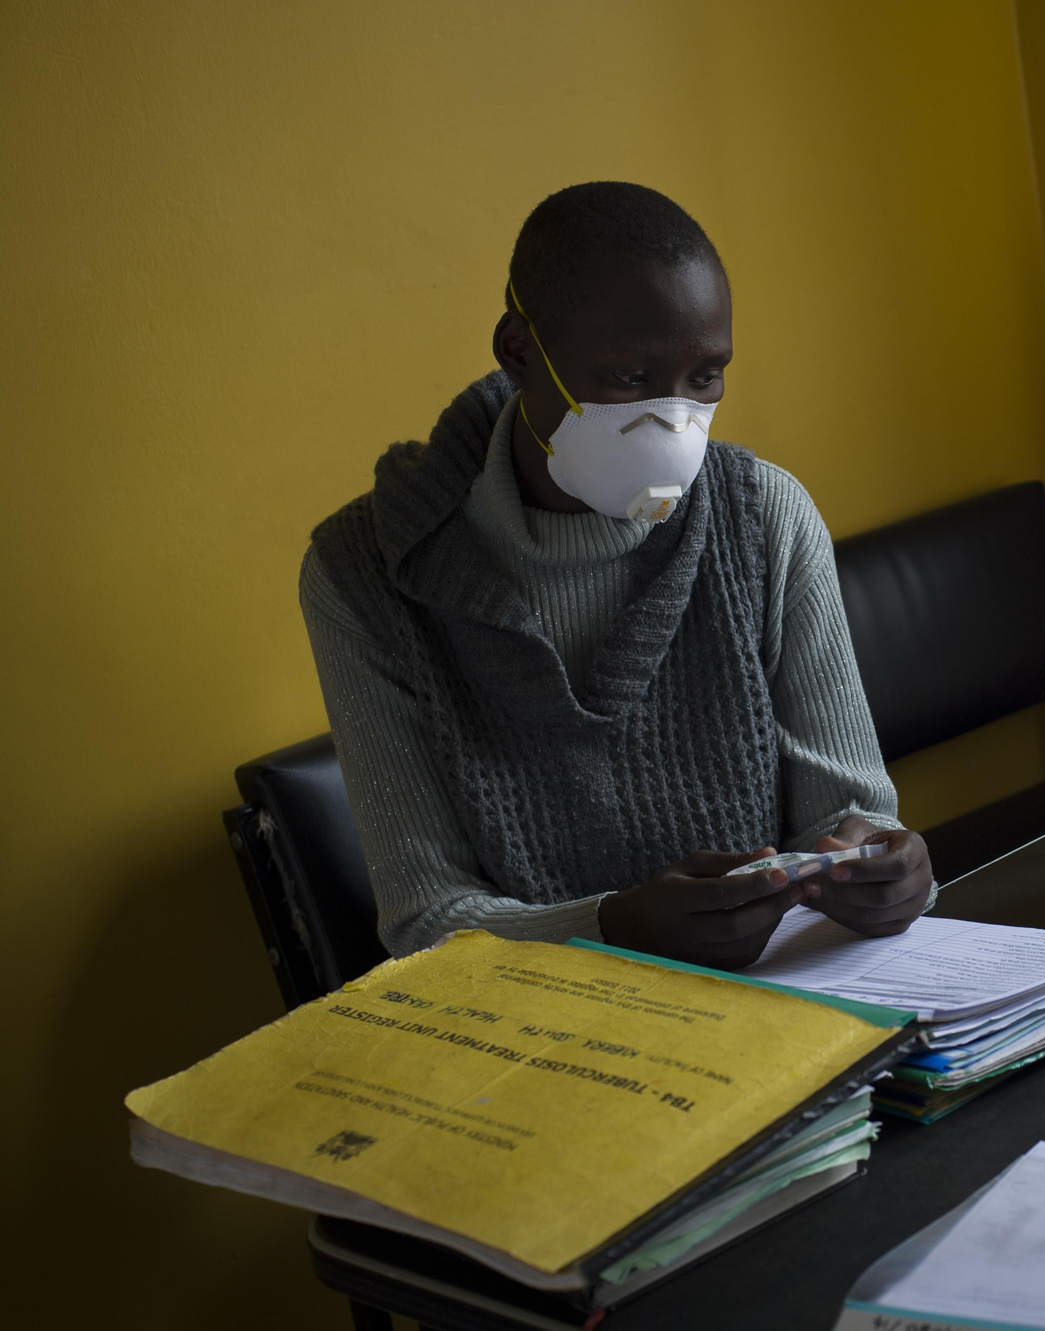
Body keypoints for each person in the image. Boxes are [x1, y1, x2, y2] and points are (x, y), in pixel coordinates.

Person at [302, 182, 933, 968]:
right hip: (542, 1039)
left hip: (782, 995)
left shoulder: (766, 517)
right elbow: (427, 922)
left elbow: (848, 816)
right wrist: (613, 925)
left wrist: (880, 865)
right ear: (520, 350)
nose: (673, 424)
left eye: (705, 377)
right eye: (630, 379)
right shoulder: (366, 571)